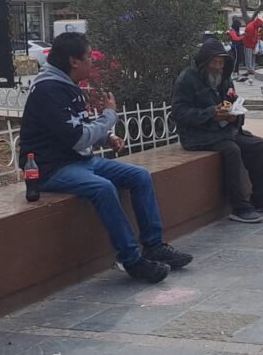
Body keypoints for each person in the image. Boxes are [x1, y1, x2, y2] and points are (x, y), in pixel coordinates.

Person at [18, 33, 192, 284]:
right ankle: (131, 260)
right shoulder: (48, 90)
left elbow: (78, 127)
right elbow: (78, 138)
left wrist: (106, 137)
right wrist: (110, 116)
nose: (93, 61)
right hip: (51, 167)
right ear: (74, 61)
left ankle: (154, 245)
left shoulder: (67, 85)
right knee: (103, 188)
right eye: (89, 57)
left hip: (78, 160)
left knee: (140, 176)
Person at [172, 39, 263, 224]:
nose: (218, 67)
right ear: (205, 62)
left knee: (261, 147)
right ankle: (240, 208)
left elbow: (234, 103)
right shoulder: (186, 79)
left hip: (225, 131)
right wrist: (210, 113)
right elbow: (179, 112)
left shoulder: (224, 78)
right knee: (232, 150)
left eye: (221, 63)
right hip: (198, 136)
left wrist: (233, 117)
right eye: (214, 62)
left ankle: (261, 200)